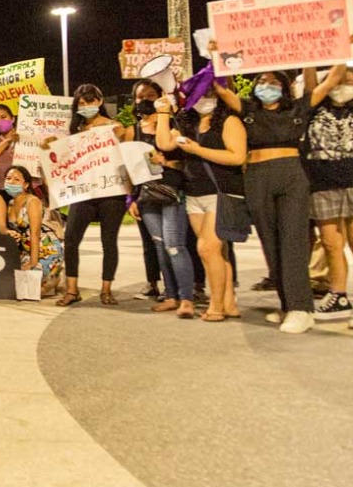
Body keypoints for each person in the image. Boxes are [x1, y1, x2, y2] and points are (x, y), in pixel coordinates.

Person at [214, 64, 345, 333]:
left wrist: (341, 51)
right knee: (270, 243)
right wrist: (219, 58)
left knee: (293, 241)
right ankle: (287, 304)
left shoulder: (297, 108)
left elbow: (331, 81)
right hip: (257, 178)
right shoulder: (249, 109)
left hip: (291, 177)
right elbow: (221, 89)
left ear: (285, 87)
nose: (267, 85)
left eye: (274, 82)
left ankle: (302, 308)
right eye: (262, 80)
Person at [156, 87, 245, 322]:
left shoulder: (229, 121)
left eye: (209, 94)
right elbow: (164, 143)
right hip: (194, 193)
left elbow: (237, 156)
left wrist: (197, 150)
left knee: (207, 248)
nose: (204, 100)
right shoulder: (189, 123)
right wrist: (164, 112)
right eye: (199, 95)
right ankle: (229, 302)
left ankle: (216, 305)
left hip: (222, 191)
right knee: (218, 251)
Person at [125, 80, 196, 318]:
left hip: (171, 191)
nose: (144, 99)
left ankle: (187, 298)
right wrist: (131, 199)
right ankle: (171, 295)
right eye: (140, 96)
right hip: (146, 196)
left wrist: (164, 162)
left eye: (150, 95)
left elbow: (184, 159)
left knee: (174, 245)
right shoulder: (132, 130)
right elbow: (129, 168)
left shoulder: (172, 123)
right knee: (159, 246)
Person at [57, 84, 127, 307]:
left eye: (89, 101)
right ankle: (71, 289)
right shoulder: (75, 132)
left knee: (109, 241)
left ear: (99, 101)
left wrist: (119, 136)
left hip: (111, 192)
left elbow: (124, 152)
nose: (85, 106)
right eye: (81, 103)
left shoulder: (114, 127)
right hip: (84, 193)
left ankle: (106, 289)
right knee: (71, 239)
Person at [303, 67, 353, 324]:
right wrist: (309, 58)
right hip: (322, 182)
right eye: (341, 79)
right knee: (332, 243)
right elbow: (314, 80)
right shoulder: (314, 105)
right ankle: (339, 295)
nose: (344, 83)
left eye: (350, 80)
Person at [4, 165, 63, 294]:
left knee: (30, 289)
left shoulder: (32, 202)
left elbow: (35, 234)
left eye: (16, 179)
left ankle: (54, 277)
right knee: (10, 284)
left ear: (25, 185)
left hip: (45, 249)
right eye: (8, 178)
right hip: (25, 250)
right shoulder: (10, 204)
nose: (11, 182)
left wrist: (33, 262)